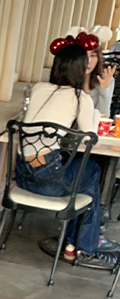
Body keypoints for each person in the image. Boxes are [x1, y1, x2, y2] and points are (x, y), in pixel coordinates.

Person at [18, 36, 120, 269]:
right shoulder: (79, 97)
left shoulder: (39, 88)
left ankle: (75, 244)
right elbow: (91, 134)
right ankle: (82, 247)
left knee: (85, 176)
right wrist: (95, 109)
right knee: (92, 171)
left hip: (22, 175)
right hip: (47, 180)